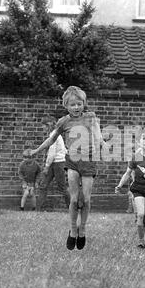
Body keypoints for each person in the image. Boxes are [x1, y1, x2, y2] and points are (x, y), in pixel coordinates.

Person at [30, 86, 108, 251]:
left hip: (88, 161)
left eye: (79, 104)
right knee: (74, 199)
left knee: (85, 199)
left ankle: (83, 228)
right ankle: (73, 229)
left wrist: (103, 144)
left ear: (83, 103)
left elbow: (98, 135)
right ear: (66, 105)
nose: (76, 107)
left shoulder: (91, 117)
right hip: (72, 161)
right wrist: (37, 150)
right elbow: (51, 140)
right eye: (72, 104)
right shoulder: (63, 122)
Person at [38, 115, 69, 211]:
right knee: (43, 186)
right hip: (55, 163)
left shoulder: (54, 136)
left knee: (62, 187)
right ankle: (39, 209)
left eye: (43, 126)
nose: (42, 128)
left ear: (48, 125)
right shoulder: (54, 135)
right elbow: (64, 150)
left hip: (57, 164)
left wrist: (47, 166)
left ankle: (73, 208)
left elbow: (52, 153)